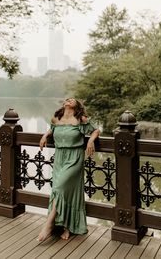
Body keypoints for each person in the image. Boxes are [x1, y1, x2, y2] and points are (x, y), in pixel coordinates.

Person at [38, 98, 100, 242]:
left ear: (78, 106)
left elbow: (96, 130)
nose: (69, 100)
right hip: (60, 157)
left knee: (59, 188)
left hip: (75, 157)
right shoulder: (56, 118)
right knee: (64, 191)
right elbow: (52, 129)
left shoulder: (80, 118)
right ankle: (66, 226)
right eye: (68, 99)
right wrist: (45, 135)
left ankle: (49, 224)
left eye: (73, 100)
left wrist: (90, 140)